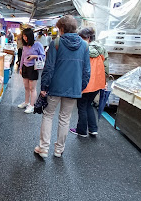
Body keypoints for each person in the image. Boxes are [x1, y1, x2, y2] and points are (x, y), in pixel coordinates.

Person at [35, 15, 90, 158]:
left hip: (55, 87)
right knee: (65, 118)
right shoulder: (84, 45)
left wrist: (44, 87)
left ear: (62, 28)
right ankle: (59, 150)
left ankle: (44, 148)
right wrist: (80, 87)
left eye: (59, 28)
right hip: (73, 88)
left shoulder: (57, 43)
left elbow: (49, 67)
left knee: (48, 115)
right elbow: (86, 71)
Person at [70, 27, 109, 137]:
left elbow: (79, 68)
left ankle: (81, 130)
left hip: (86, 83)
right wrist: (105, 81)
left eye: (81, 38)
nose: (79, 40)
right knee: (88, 105)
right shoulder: (102, 49)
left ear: (87, 38)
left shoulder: (83, 49)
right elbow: (106, 66)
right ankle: (93, 129)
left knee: (82, 106)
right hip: (98, 83)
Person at [18, 28, 45, 113]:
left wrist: (34, 56)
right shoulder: (25, 46)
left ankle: (32, 105)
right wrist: (21, 67)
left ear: (30, 36)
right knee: (26, 87)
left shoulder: (37, 44)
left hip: (33, 68)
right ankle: (26, 102)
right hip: (25, 67)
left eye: (26, 36)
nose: (25, 38)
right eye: (23, 36)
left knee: (32, 88)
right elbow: (22, 57)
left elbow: (43, 56)